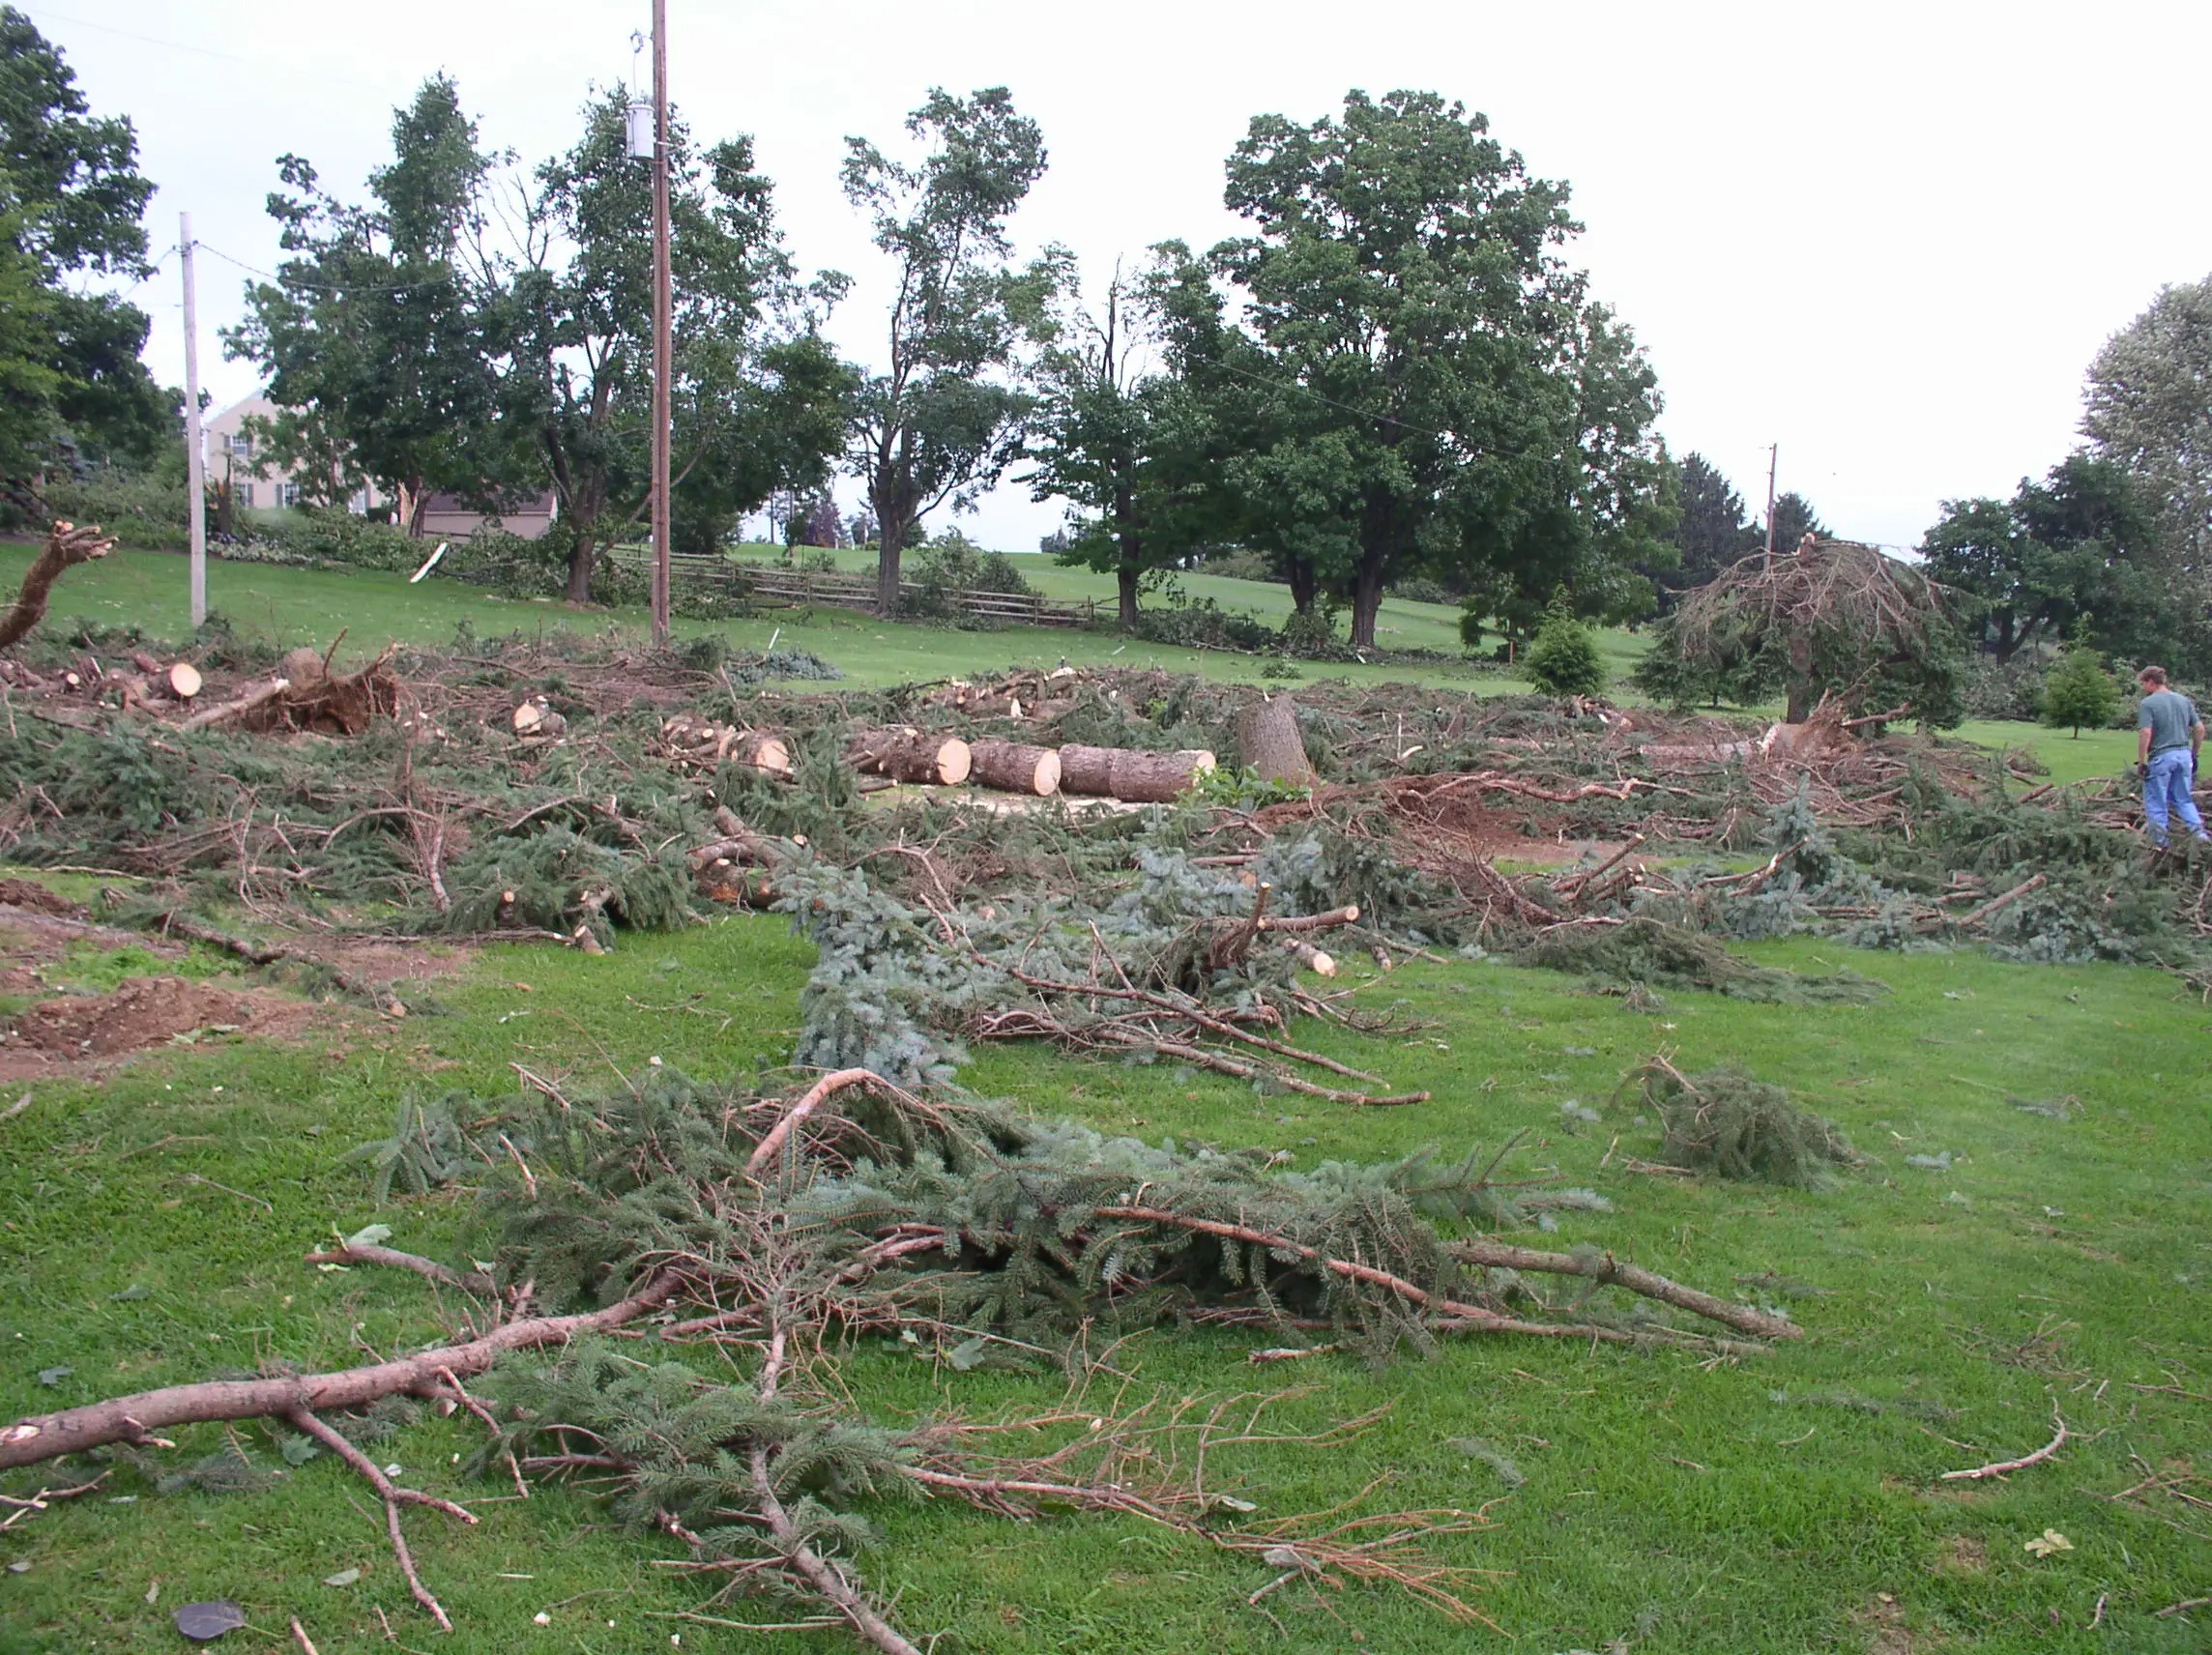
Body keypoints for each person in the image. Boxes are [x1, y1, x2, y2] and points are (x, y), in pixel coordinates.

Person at [2134, 666, 2209, 849]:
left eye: (2144, 684)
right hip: (2183, 756)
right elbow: (2199, 729)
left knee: (2156, 801)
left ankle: (2160, 844)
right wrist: (2193, 754)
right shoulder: (2183, 700)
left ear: (2151, 682)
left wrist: (2142, 761)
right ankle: (2201, 838)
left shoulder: (2148, 704)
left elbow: (2145, 732)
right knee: (2183, 799)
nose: (2143, 688)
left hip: (2161, 757)